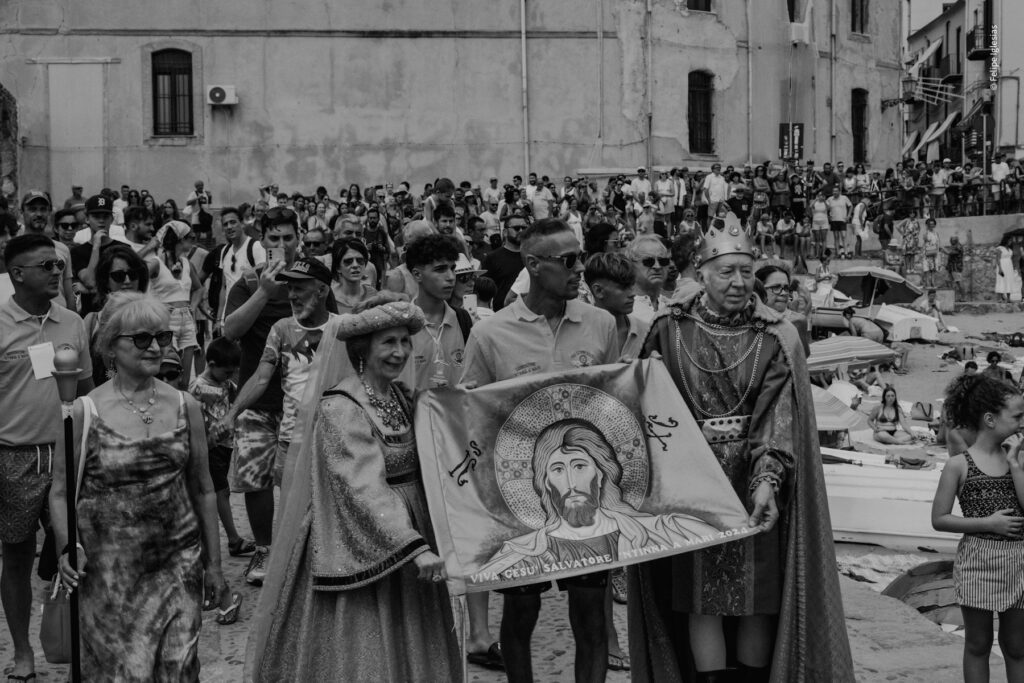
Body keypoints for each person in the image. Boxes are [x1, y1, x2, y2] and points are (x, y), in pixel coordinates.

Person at [628, 212, 853, 682]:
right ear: (701, 274)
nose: (737, 282)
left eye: (745, 272)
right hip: (690, 482)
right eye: (726, 272)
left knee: (756, 600)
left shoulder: (775, 334)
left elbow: (779, 416)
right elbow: (644, 401)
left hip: (754, 478)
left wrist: (767, 480)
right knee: (699, 601)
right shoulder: (668, 328)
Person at [246, 302, 462, 680]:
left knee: (413, 642)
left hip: (411, 535)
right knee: (365, 650)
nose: (400, 352)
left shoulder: (400, 396)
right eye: (388, 343)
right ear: (362, 349)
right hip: (357, 537)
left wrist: (462, 403)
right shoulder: (341, 407)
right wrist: (411, 544)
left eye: (404, 342)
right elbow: (360, 485)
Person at [462, 217, 618, 683]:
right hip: (519, 497)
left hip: (586, 497)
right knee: (521, 610)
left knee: (591, 614)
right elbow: (470, 415)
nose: (580, 271)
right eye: (568, 261)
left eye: (581, 259)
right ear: (532, 264)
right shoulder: (490, 335)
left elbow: (615, 407)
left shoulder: (602, 323)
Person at [51, 292, 227, 681]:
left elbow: (203, 489)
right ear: (111, 347)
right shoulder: (85, 411)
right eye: (142, 339)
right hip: (109, 575)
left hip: (178, 566)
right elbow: (61, 492)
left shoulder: (186, 406)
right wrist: (68, 548)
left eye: (162, 338)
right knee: (122, 674)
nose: (156, 348)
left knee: (178, 668)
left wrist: (214, 566)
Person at [0, 234, 94, 682]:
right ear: (18, 274)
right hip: (13, 456)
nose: (58, 271)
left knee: (78, 550)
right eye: (46, 266)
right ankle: (23, 654)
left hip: (68, 453)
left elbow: (89, 392)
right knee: (16, 556)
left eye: (58, 265)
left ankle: (81, 647)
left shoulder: (73, 321)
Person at [221, 257, 338, 515]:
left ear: (322, 290)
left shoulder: (341, 329)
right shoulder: (282, 329)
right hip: (291, 440)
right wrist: (233, 413)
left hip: (329, 436)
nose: (292, 296)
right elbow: (261, 378)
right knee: (291, 514)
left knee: (328, 512)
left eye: (300, 288)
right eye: (290, 288)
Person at [932, 374, 1024, 683]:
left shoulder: (1019, 460)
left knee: (1017, 646)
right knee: (978, 643)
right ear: (989, 419)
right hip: (977, 562)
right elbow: (940, 518)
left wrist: (1014, 464)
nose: (1022, 423)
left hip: (1018, 562)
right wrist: (989, 523)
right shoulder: (958, 465)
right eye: (1017, 416)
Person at [189, 336, 256, 563]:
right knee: (220, 492)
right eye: (227, 372)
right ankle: (233, 539)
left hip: (224, 446)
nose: (230, 376)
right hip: (211, 447)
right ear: (212, 365)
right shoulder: (198, 388)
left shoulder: (226, 383)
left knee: (221, 491)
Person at [585, 251, 648, 360]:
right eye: (623, 287)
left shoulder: (646, 332)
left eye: (632, 286)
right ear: (598, 291)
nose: (632, 294)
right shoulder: (579, 333)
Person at [482, 214, 527, 310]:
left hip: (529, 313)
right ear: (505, 232)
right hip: (501, 314)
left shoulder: (532, 257)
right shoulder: (492, 258)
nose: (521, 231)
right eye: (516, 228)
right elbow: (484, 290)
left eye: (524, 228)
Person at [330, 237, 377, 314]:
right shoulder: (329, 297)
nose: (355, 265)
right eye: (348, 261)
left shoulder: (374, 295)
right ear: (338, 267)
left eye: (360, 260)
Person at [996, 236, 1015, 303]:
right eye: (1009, 240)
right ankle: (1000, 298)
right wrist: (1000, 268)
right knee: (1001, 280)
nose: (1011, 242)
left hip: (1009, 267)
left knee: (1009, 280)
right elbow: (998, 259)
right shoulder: (1000, 248)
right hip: (1002, 265)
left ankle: (1008, 298)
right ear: (1006, 241)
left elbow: (1011, 259)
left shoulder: (1010, 249)